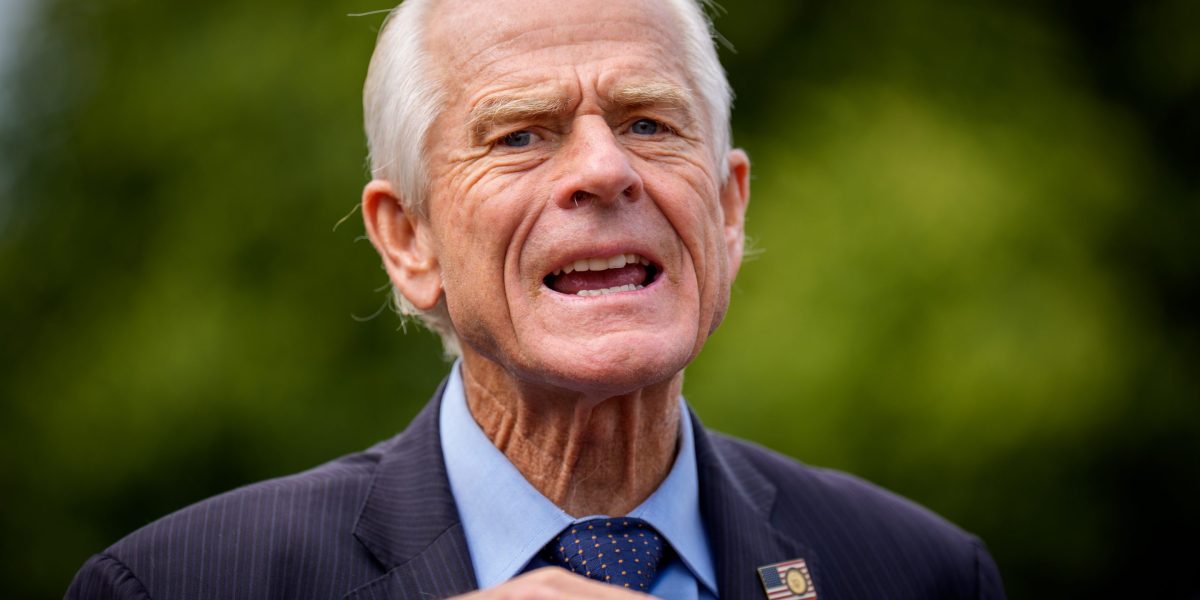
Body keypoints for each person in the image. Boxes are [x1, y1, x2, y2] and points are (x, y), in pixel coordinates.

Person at [67, 0, 1006, 598]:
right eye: (520, 135)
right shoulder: (173, 583)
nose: (604, 169)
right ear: (409, 239)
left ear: (726, 210)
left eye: (648, 122)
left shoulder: (921, 573)